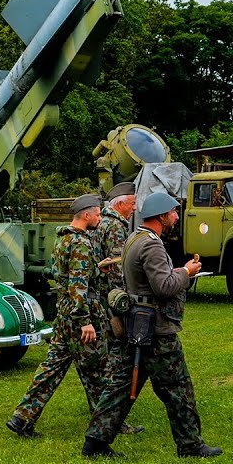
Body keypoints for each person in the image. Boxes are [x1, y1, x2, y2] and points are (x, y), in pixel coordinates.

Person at [83, 192, 221, 459]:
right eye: (173, 212)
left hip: (136, 326)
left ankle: (95, 444)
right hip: (156, 331)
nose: (176, 216)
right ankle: (190, 446)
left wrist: (178, 272)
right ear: (161, 216)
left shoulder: (135, 238)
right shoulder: (151, 245)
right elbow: (164, 286)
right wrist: (186, 272)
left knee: (119, 388)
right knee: (178, 388)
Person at [7, 194, 107, 438]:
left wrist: (97, 267)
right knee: (97, 370)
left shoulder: (63, 239)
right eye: (97, 214)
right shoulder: (82, 243)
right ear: (86, 215)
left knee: (51, 368)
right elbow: (78, 285)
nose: (100, 218)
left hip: (63, 315)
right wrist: (85, 322)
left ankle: (22, 418)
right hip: (80, 316)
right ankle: (107, 424)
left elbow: (64, 274)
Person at [91, 181, 144, 436]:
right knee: (116, 358)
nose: (135, 209)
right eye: (132, 203)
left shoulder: (104, 222)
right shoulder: (115, 226)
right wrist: (124, 302)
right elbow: (116, 267)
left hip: (100, 300)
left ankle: (103, 407)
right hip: (110, 303)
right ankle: (111, 415)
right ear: (120, 203)